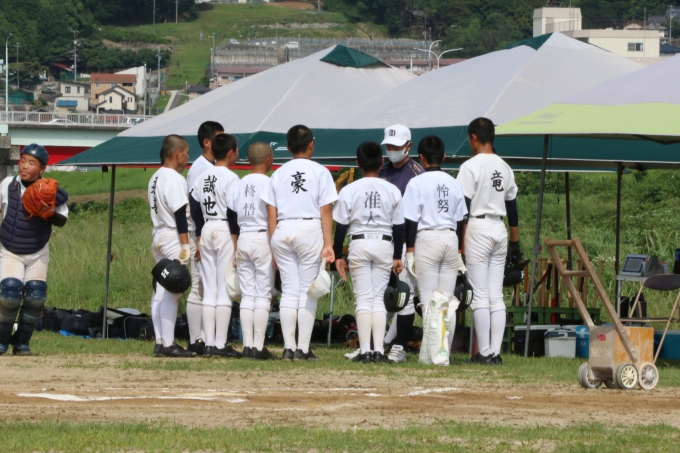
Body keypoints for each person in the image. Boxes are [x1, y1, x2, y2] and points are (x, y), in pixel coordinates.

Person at [262, 125, 337, 361]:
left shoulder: (278, 173)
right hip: (309, 229)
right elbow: (326, 209)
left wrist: (273, 244)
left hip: (282, 229)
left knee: (289, 291)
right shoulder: (320, 172)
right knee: (307, 291)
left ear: (288, 147)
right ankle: (302, 349)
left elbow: (271, 212)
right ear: (311, 144)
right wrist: (328, 243)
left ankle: (288, 347)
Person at [333, 141, 405, 363]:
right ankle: (379, 350)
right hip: (384, 243)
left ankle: (365, 350)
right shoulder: (392, 189)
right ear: (382, 161)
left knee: (363, 299)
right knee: (379, 299)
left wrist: (338, 256)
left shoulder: (349, 189)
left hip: (359, 243)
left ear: (358, 163)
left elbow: (341, 227)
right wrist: (397, 256)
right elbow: (399, 227)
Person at [457, 117, 520, 365]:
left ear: (474, 138)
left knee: (480, 295)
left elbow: (462, 208)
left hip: (478, 226)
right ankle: (495, 353)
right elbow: (512, 207)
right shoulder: (505, 167)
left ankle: (483, 353)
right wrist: (515, 242)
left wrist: (460, 245)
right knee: (496, 295)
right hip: (499, 228)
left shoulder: (470, 166)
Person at [0, 144, 68, 355]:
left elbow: (62, 220)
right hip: (10, 250)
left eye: (32, 163)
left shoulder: (49, 190)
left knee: (36, 296)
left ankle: (22, 342)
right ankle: (2, 340)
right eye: (23, 161)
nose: (25, 166)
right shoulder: (7, 184)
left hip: (38, 252)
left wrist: (47, 213)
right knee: (10, 294)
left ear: (42, 168)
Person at [402, 135, 467, 353]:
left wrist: (410, 251)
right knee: (447, 300)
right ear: (444, 156)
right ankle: (444, 351)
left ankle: (431, 352)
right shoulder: (454, 183)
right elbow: (460, 220)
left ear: (420, 157)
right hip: (450, 239)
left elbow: (411, 220)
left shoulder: (416, 182)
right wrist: (459, 251)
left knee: (429, 299)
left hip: (427, 238)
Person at [190, 134, 242, 358]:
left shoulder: (204, 175)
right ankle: (220, 343)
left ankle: (209, 342)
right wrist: (236, 242)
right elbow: (233, 212)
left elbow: (194, 205)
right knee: (224, 289)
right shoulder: (231, 177)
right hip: (224, 229)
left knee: (209, 289)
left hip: (207, 228)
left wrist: (199, 235)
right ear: (230, 152)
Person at [378, 124, 424, 363]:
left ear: (409, 146)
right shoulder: (381, 171)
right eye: (388, 146)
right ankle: (377, 344)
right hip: (383, 241)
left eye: (396, 146)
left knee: (404, 294)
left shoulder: (417, 173)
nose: (391, 150)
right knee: (382, 294)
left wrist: (411, 248)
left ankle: (399, 347)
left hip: (406, 243)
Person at [229, 142, 277, 361]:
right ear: (268, 160)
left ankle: (247, 346)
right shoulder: (271, 182)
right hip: (263, 238)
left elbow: (231, 215)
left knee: (247, 294)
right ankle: (258, 346)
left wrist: (235, 244)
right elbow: (274, 214)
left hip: (244, 237)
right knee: (263, 294)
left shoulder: (240, 182)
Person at [148, 135, 195, 357]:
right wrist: (185, 244)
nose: (187, 157)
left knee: (160, 291)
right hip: (172, 236)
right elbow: (180, 213)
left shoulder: (155, 176)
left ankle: (160, 341)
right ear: (177, 153)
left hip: (158, 234)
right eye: (186, 153)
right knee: (174, 289)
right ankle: (168, 343)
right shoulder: (175, 178)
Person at [185, 121, 225, 355]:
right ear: (207, 142)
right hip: (200, 233)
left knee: (209, 287)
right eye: (219, 138)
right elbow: (195, 205)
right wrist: (199, 237)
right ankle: (195, 338)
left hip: (208, 234)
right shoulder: (201, 167)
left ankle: (204, 336)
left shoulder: (212, 166)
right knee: (199, 286)